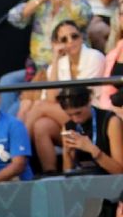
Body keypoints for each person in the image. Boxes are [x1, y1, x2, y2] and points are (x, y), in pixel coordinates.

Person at [2, 0, 92, 114]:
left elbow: (84, 16)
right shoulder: (40, 4)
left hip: (64, 67)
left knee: (20, 110)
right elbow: (14, 17)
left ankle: (6, 129)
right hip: (37, 69)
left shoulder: (78, 2)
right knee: (6, 82)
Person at [23, 20, 105, 174]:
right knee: (41, 125)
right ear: (57, 44)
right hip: (71, 119)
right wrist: (55, 57)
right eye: (64, 39)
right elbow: (52, 97)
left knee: (39, 106)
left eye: (74, 36)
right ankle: (51, 174)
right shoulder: (58, 65)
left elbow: (79, 96)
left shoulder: (95, 57)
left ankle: (19, 151)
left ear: (81, 37)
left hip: (92, 115)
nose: (71, 42)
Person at [58, 85, 123, 174]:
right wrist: (67, 154)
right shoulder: (68, 126)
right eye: (70, 115)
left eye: (78, 113)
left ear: (89, 101)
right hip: (83, 182)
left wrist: (92, 150)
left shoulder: (111, 122)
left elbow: (120, 172)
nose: (76, 119)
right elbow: (67, 175)